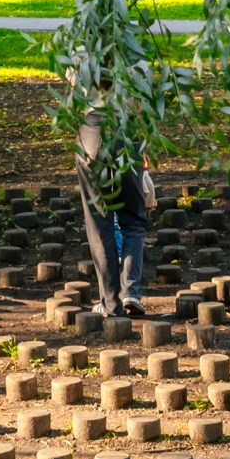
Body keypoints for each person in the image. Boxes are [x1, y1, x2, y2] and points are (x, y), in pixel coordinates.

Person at [74, 115, 158, 317]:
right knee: (133, 220)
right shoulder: (132, 81)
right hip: (127, 134)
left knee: (99, 225)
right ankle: (130, 292)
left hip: (90, 133)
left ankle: (111, 303)